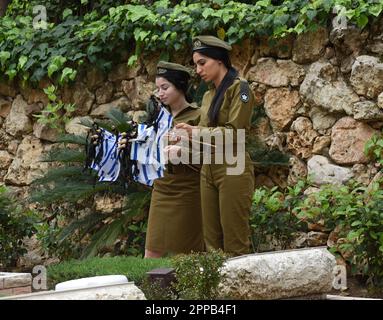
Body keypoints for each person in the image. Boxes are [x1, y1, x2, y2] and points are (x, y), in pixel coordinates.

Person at [176, 35, 255, 256]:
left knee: (235, 242)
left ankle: (240, 290)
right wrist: (182, 138)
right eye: (195, 65)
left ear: (219, 60)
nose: (198, 70)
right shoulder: (209, 96)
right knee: (212, 244)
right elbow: (200, 135)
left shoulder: (241, 89)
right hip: (208, 167)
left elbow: (235, 134)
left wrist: (196, 132)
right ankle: (217, 291)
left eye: (202, 63)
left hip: (233, 165)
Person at [144, 61, 204, 258]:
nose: (160, 93)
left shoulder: (198, 116)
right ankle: (151, 289)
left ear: (180, 86)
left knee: (188, 252)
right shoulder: (158, 118)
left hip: (187, 190)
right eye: (158, 88)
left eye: (165, 87)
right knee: (152, 250)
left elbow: (212, 154)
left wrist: (182, 153)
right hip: (161, 189)